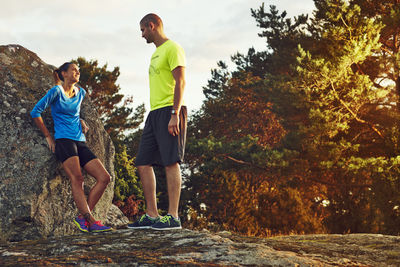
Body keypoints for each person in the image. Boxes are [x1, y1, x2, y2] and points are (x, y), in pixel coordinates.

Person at [31, 62, 112, 233]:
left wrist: (81, 120)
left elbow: (74, 113)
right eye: (74, 70)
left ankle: (83, 217)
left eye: (78, 70)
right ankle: (90, 221)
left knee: (104, 178)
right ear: (64, 73)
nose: (78, 72)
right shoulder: (56, 91)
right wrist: (48, 136)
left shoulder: (80, 92)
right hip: (64, 141)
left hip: (80, 141)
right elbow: (35, 112)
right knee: (78, 179)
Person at [128, 13, 187, 230]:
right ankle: (152, 215)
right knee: (143, 162)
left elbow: (181, 82)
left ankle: (173, 216)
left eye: (143, 30)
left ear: (151, 26)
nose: (142, 35)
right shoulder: (156, 54)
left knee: (170, 161)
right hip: (154, 114)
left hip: (170, 110)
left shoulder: (173, 48)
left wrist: (175, 113)